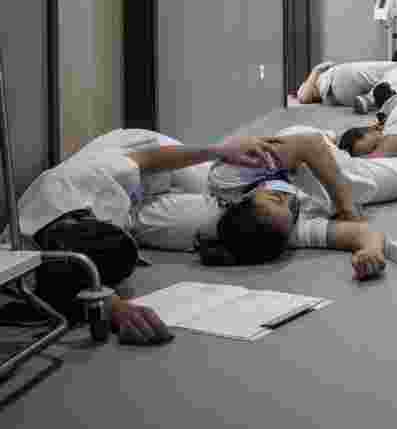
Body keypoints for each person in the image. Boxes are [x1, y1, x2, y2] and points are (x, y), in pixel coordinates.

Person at [14, 129, 281, 345]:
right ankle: (285, 214)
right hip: (132, 209)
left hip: (150, 160)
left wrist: (219, 149)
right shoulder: (28, 251)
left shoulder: (81, 178)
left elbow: (146, 160)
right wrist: (115, 307)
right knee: (231, 224)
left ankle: (289, 179)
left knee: (230, 176)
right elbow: (71, 271)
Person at [201, 125, 397, 275]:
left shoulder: (229, 179)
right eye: (291, 210)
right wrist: (370, 250)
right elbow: (362, 233)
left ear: (243, 201)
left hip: (320, 159)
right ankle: (345, 144)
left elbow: (309, 144)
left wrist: (346, 207)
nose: (289, 201)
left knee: (320, 143)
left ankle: (341, 142)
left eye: (276, 198)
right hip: (330, 182)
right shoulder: (285, 231)